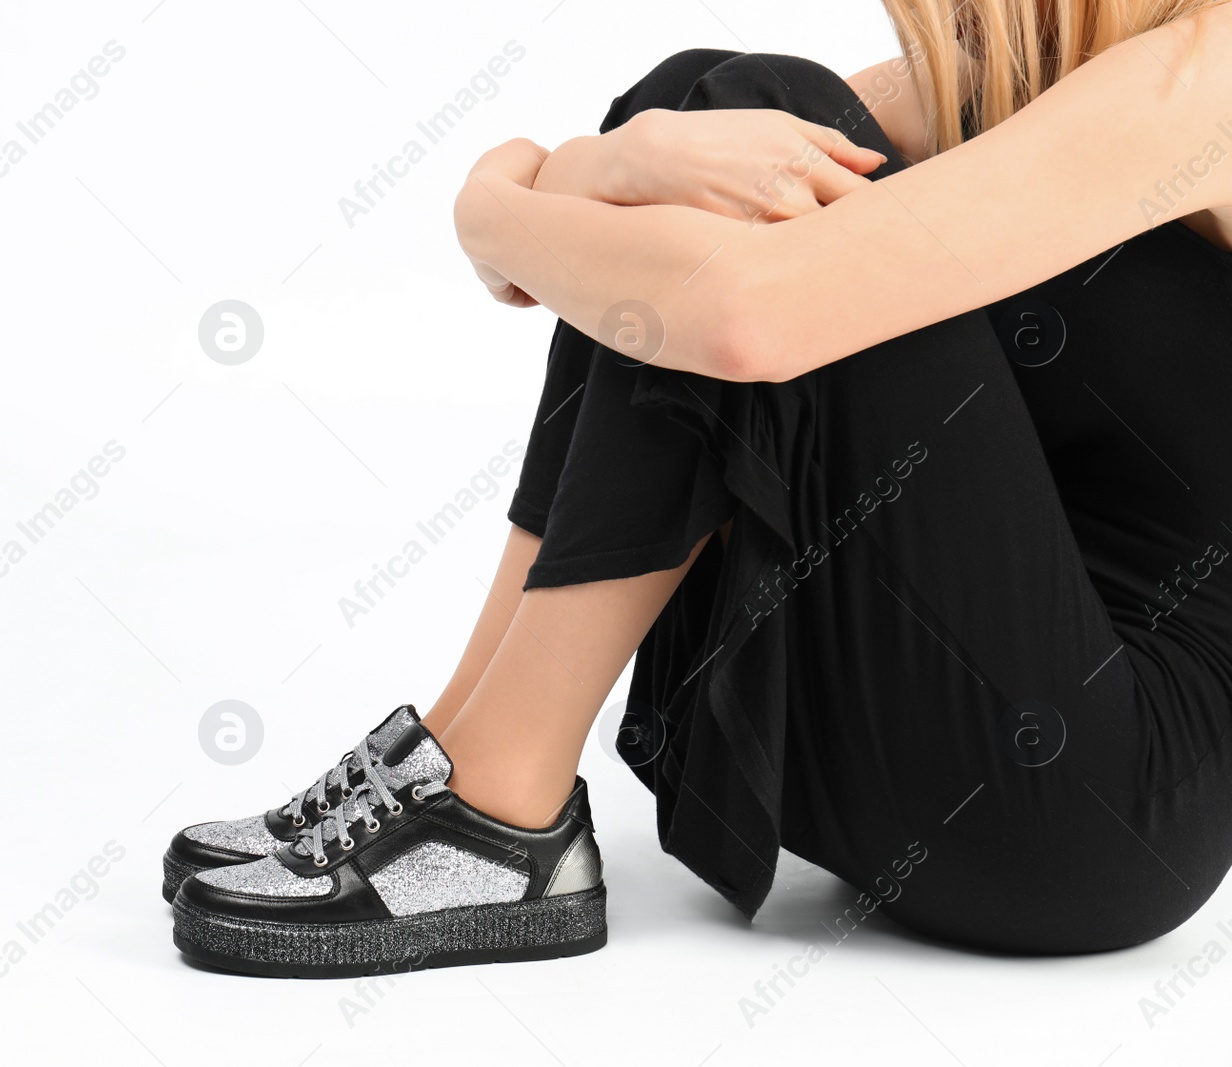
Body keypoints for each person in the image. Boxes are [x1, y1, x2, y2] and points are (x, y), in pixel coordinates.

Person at [166, 0, 1232, 977]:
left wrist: (489, 214)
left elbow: (742, 318)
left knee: (761, 149)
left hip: (1083, 807)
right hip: (906, 736)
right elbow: (694, 174)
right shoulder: (1022, 71)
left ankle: (500, 801)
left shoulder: (1210, 71)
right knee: (714, 104)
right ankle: (463, 746)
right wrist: (630, 150)